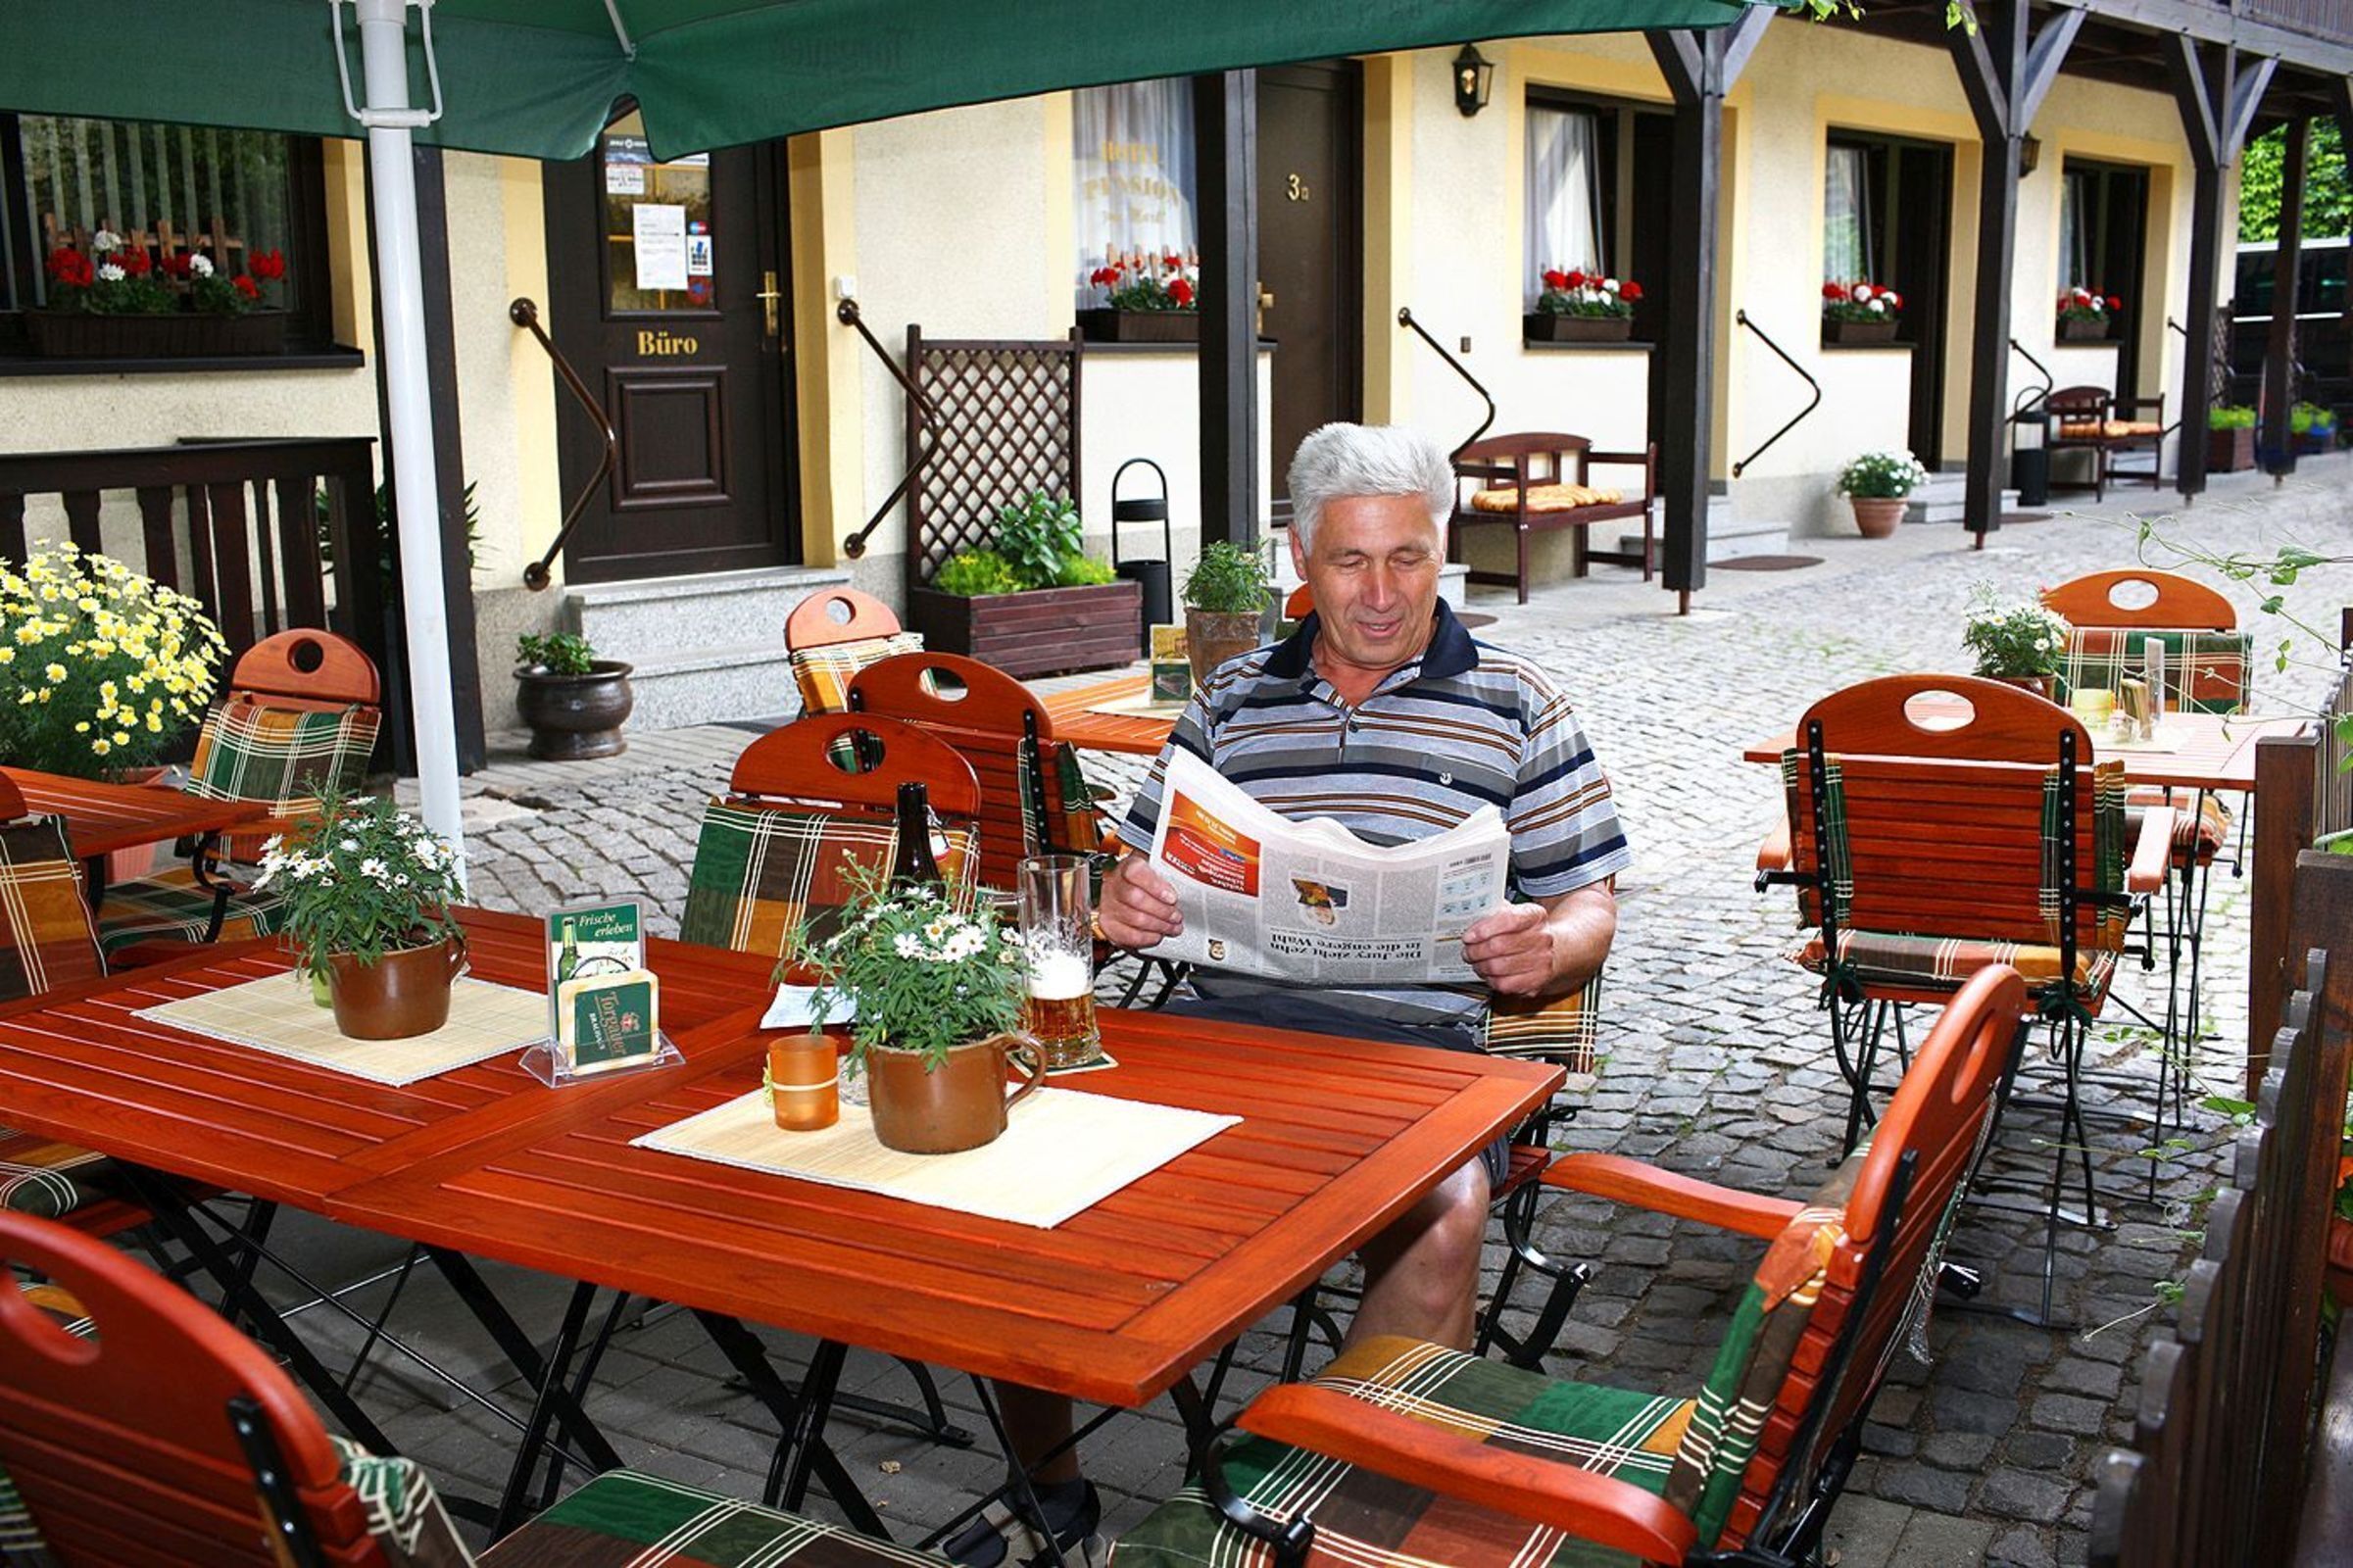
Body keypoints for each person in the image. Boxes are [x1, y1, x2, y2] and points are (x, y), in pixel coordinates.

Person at [948, 422, 1628, 1567]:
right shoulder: (1230, 697)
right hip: (1223, 1035)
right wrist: (1123, 903)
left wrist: (1547, 944)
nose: (1380, 594)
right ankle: (1051, 1489)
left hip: (1421, 1054)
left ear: (1442, 548)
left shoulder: (1518, 700)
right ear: (1302, 561)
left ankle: (1349, 1510)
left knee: (1447, 1206)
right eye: (1349, 561)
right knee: (1017, 1167)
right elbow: (1132, 871)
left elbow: (1589, 903)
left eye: (1407, 557)